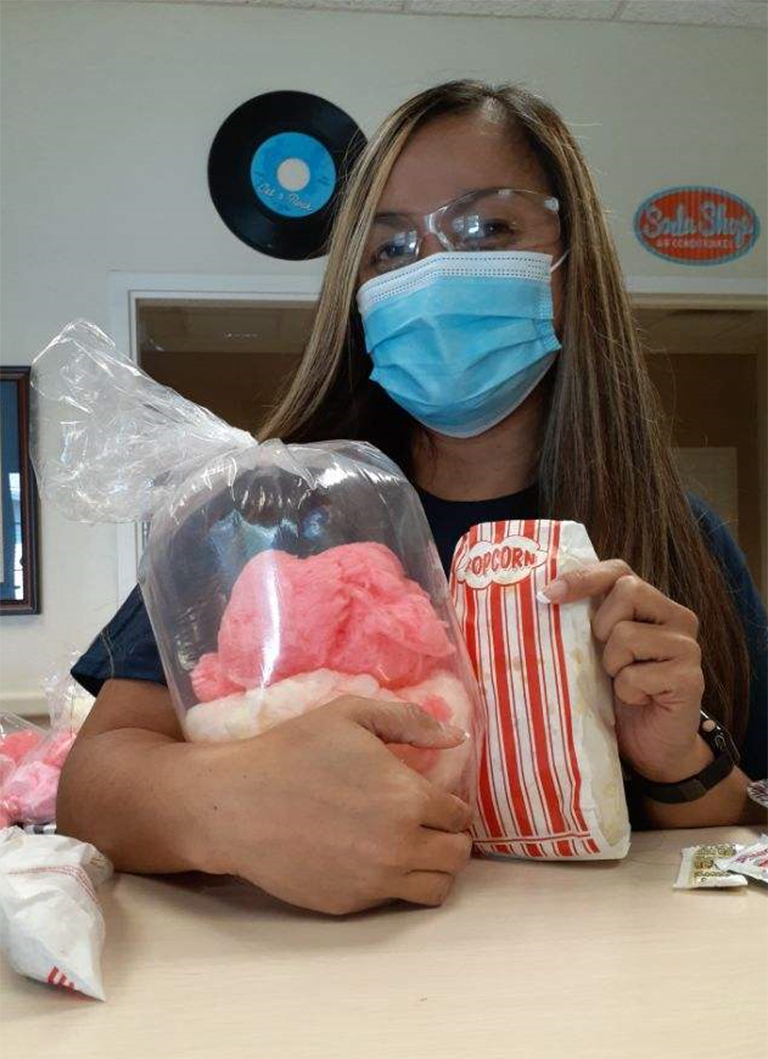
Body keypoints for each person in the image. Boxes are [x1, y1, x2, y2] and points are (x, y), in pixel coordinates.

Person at [63, 80, 767, 915]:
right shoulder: (262, 513)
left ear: (571, 268)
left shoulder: (675, 535)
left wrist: (675, 757)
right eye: (391, 250)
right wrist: (224, 803)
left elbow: (738, 836)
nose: (435, 272)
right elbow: (91, 787)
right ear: (356, 297)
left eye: (487, 229)